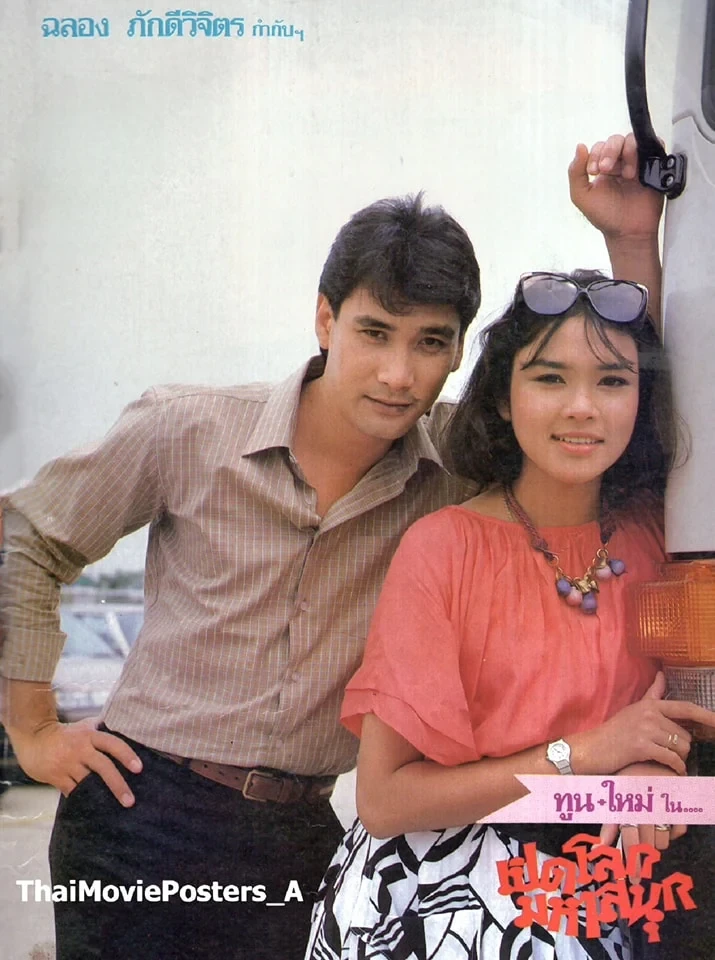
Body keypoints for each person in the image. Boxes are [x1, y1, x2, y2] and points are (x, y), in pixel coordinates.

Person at [0, 135, 661, 960]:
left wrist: (629, 242)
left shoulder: (457, 465)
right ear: (325, 319)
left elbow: (607, 399)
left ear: (459, 352)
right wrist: (33, 728)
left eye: (429, 342)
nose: (397, 374)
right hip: (142, 812)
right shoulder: (186, 428)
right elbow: (27, 534)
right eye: (374, 333)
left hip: (300, 831)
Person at [305, 268, 715, 959]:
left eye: (612, 382)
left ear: (641, 399)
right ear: (501, 397)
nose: (581, 407)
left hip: (617, 906)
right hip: (438, 906)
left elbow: (680, 727)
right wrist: (588, 757)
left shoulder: (666, 542)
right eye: (549, 378)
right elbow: (384, 801)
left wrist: (651, 779)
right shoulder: (443, 549)